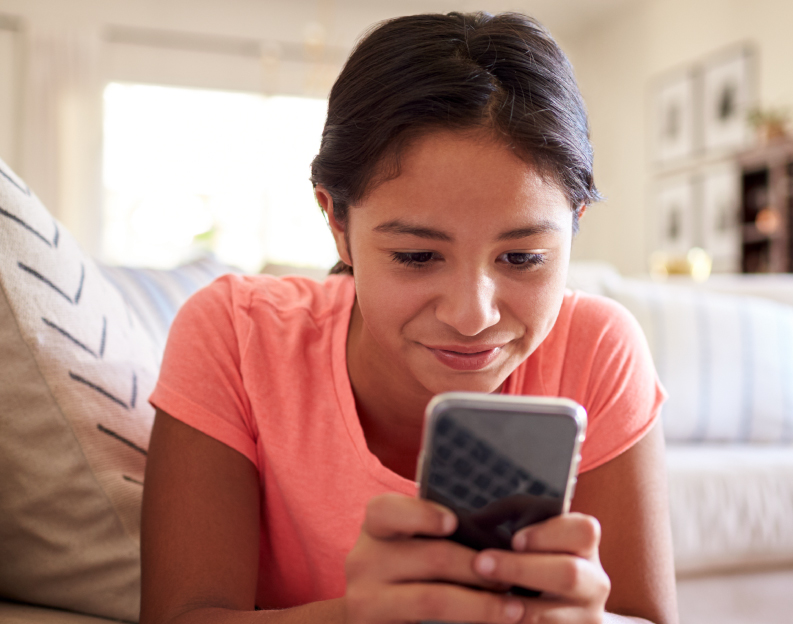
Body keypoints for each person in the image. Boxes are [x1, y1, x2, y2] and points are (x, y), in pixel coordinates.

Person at [140, 11, 677, 624]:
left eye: (523, 257)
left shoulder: (599, 347)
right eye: (417, 256)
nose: (472, 316)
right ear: (338, 223)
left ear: (576, 222)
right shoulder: (236, 334)